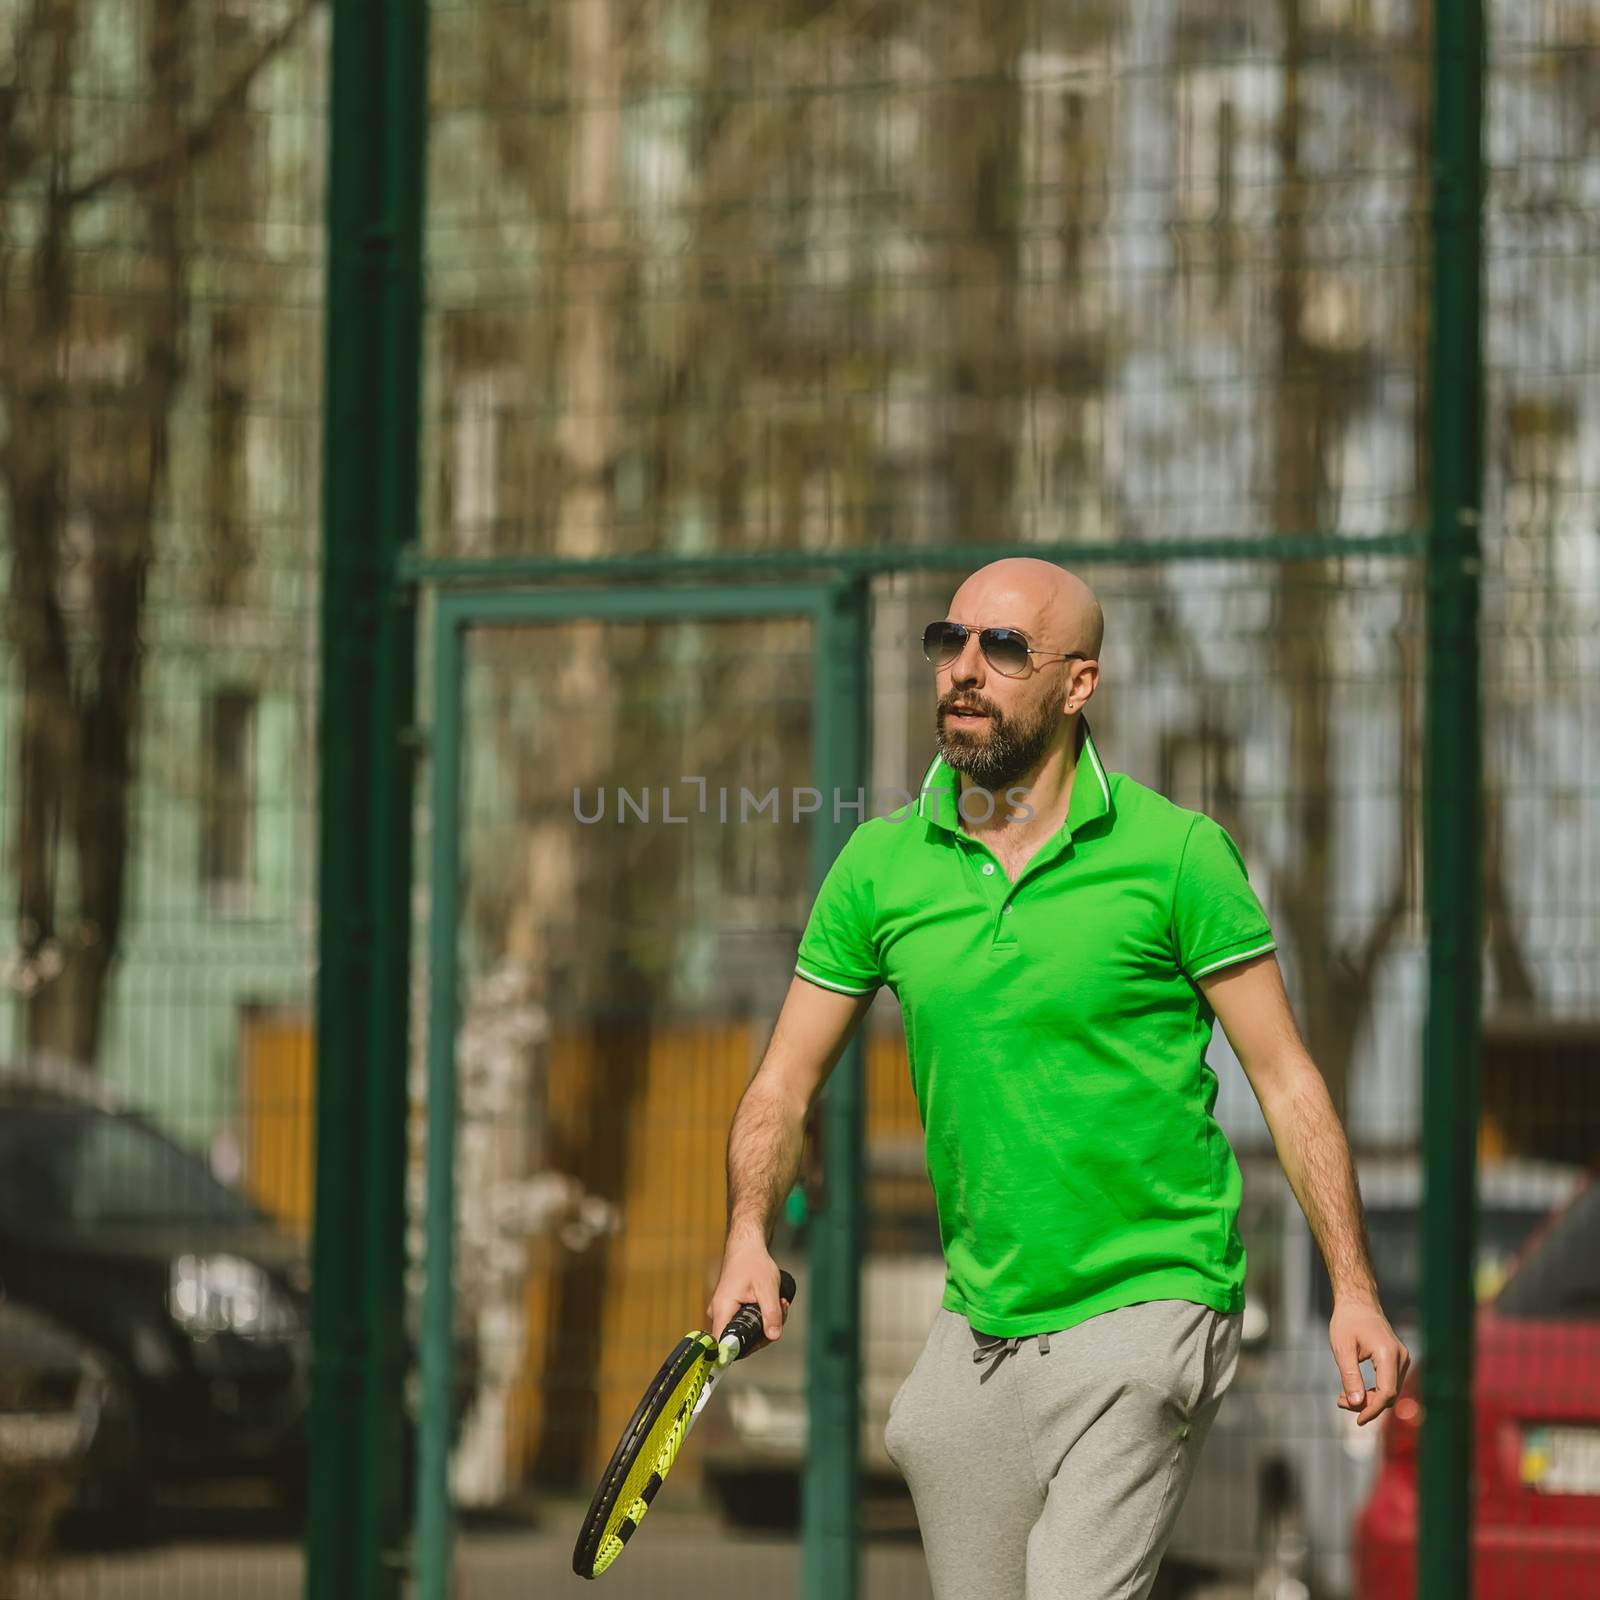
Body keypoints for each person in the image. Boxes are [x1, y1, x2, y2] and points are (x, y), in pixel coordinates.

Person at [705, 557, 1410, 1599]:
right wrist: (746, 1237)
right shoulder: (879, 867)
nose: (964, 668)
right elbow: (781, 1084)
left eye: (1002, 648)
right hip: (980, 1320)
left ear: (1078, 683)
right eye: (950, 642)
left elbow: (1287, 1078)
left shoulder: (1175, 856)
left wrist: (1352, 1287)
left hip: (1151, 1296)